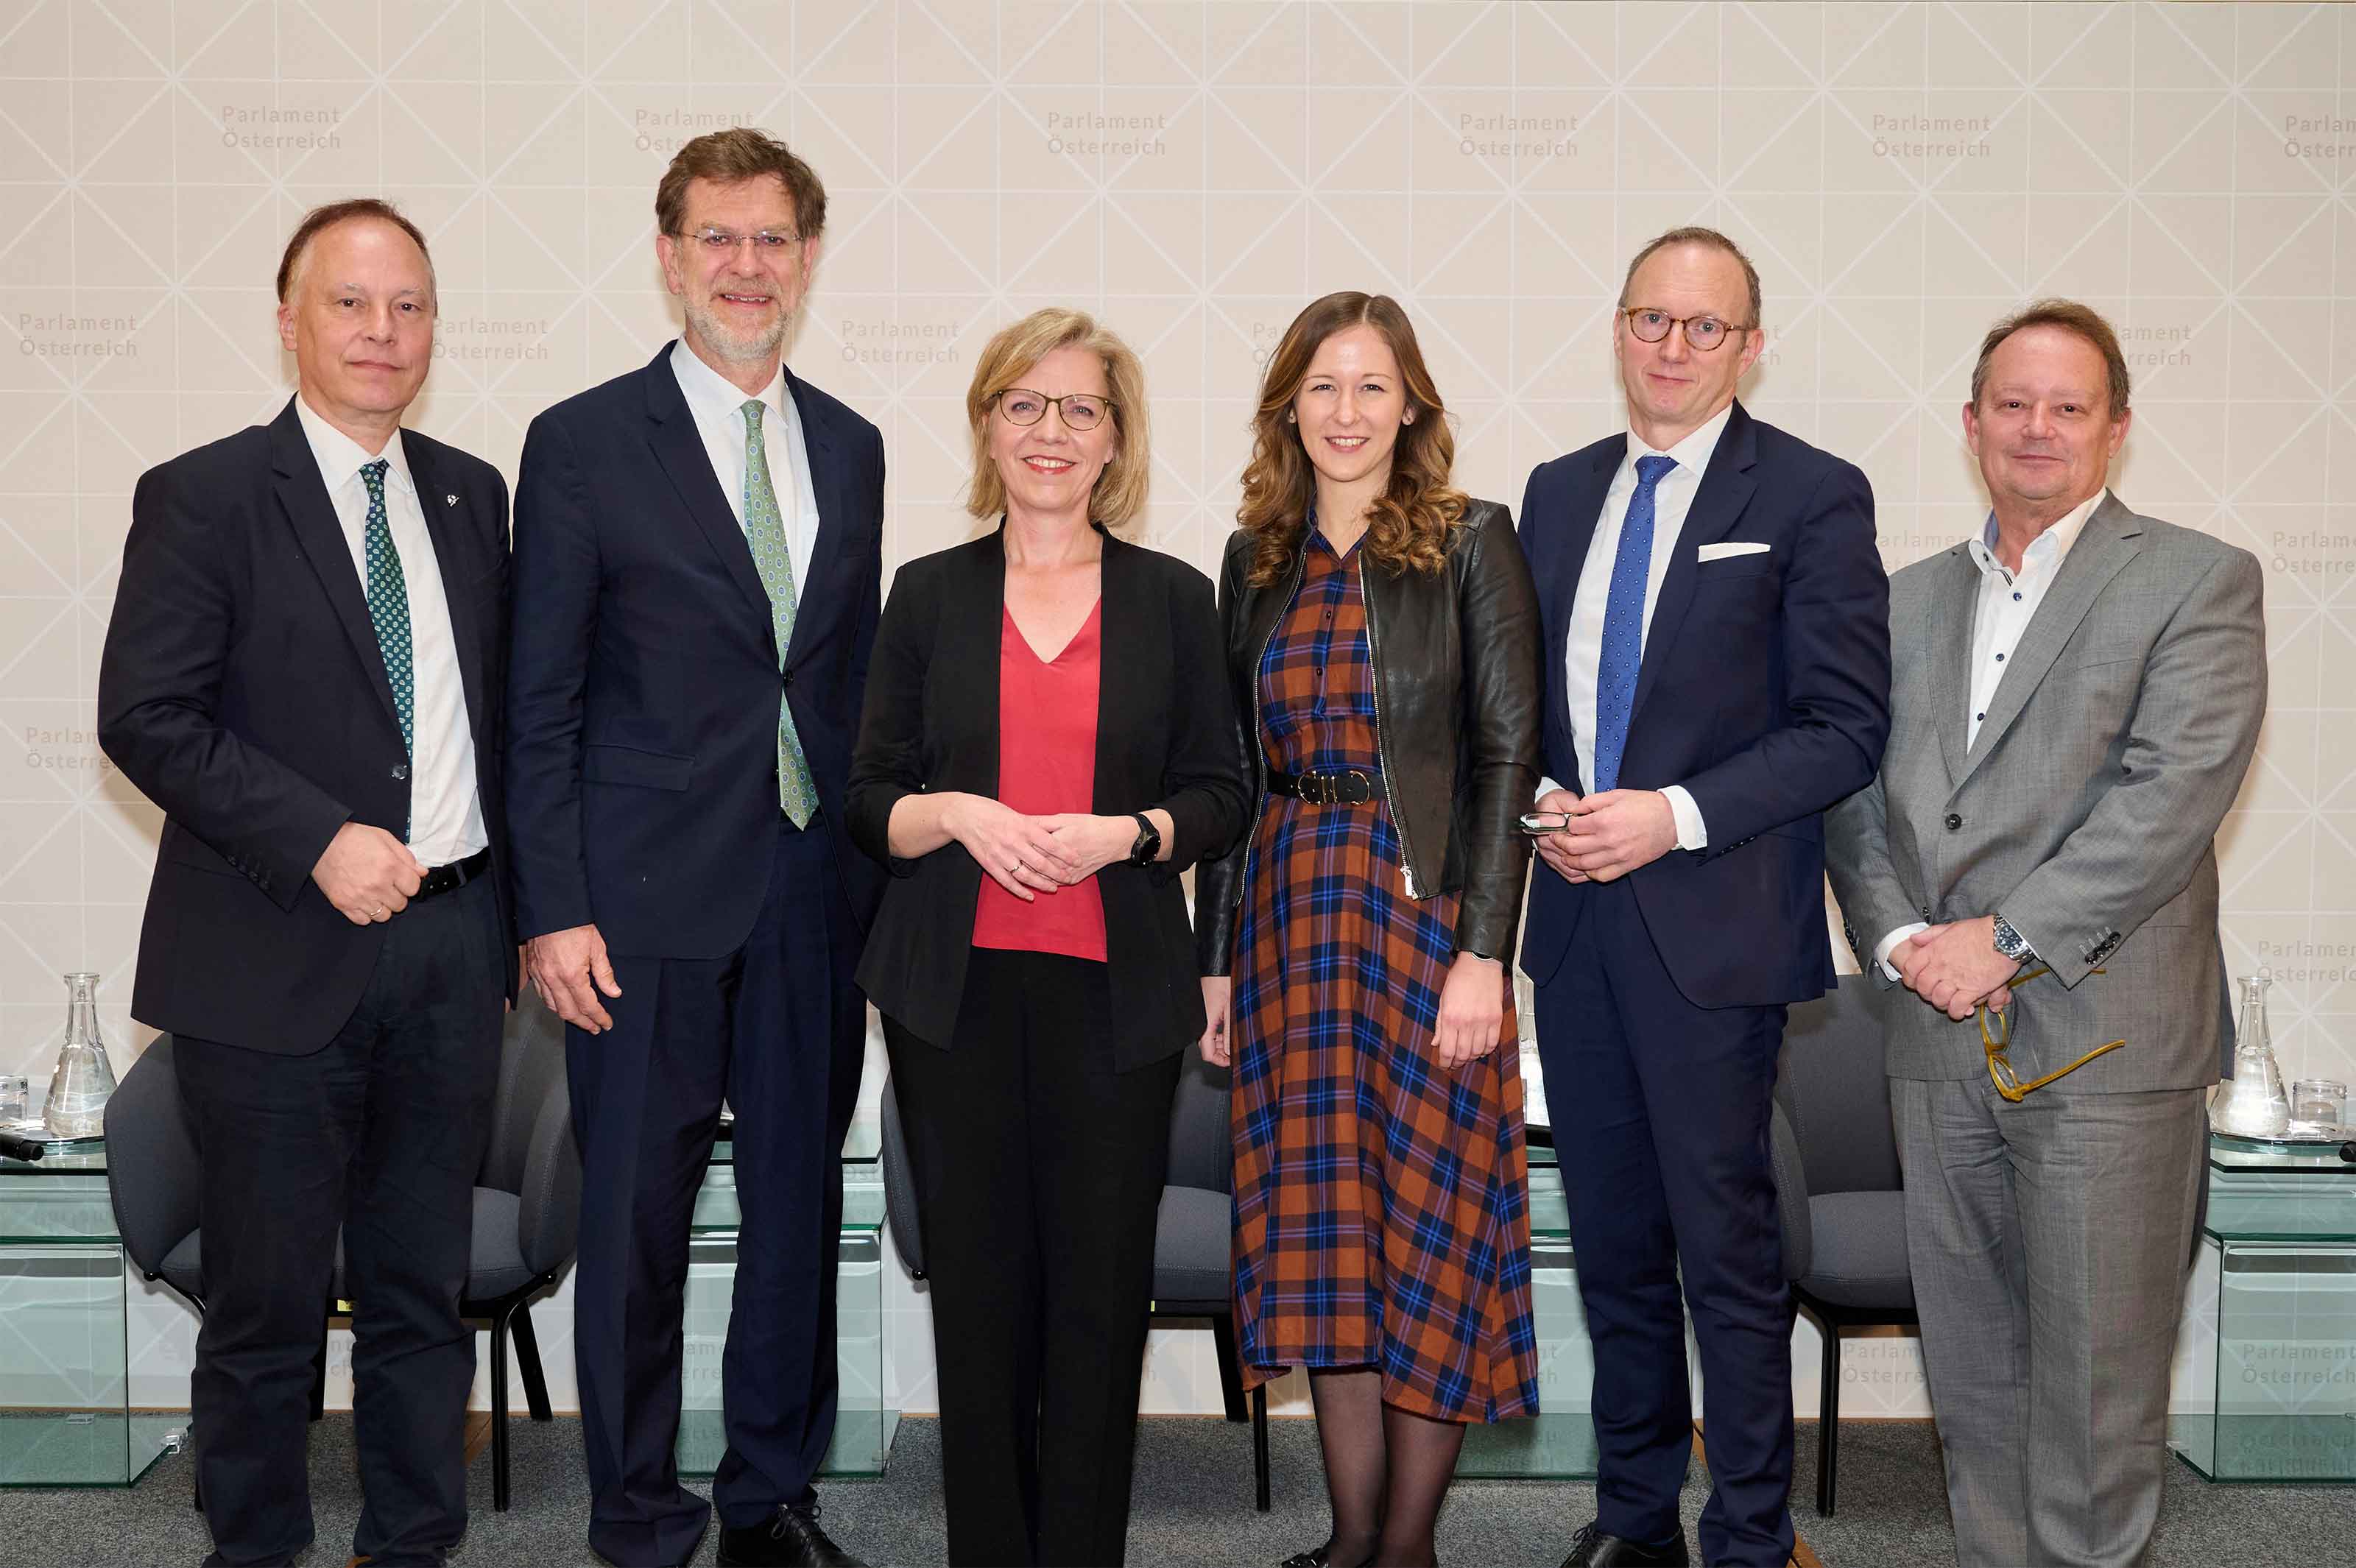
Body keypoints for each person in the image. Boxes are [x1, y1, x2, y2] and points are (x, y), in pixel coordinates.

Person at [96, 199, 512, 1568]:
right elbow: (147, 716)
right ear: (290, 321)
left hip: (451, 956)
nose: (382, 332)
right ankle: (256, 1551)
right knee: (266, 1308)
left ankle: (412, 1546)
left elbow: (488, 725)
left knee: (419, 1295)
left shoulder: (471, 494)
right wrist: (321, 835)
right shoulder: (205, 493)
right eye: (351, 303)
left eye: (408, 306)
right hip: (270, 956)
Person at [1825, 300, 2264, 1568]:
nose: (2037, 428)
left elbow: (2170, 796)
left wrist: (2002, 939)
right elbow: (1850, 795)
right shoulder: (1901, 601)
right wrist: (1904, 937)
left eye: (2069, 406)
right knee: (1976, 1394)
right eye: (2012, 403)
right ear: (1971, 425)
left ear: (2116, 428)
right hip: (1932, 1034)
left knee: (2093, 1402)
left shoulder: (2195, 577)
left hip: (2106, 1046)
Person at [504, 128, 884, 1568]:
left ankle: (770, 1501)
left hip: (809, 899)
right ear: (669, 257)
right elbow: (536, 702)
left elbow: (833, 687)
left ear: (804, 259)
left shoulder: (849, 446)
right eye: (716, 239)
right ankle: (638, 1514)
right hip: (638, 908)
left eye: (770, 240)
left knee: (796, 1212)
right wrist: (552, 907)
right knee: (638, 1231)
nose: (744, 267)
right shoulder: (585, 442)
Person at [847, 308, 1247, 1567]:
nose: (1051, 431)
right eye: (1024, 404)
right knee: (978, 1304)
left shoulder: (1176, 599)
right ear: (985, 425)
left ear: (1115, 436)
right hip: (949, 1000)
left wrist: (1126, 833)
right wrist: (955, 811)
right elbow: (865, 800)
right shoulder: (926, 594)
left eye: (1081, 408)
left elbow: (1223, 794)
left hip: (1114, 1003)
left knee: (1094, 1304)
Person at [1517, 227, 1891, 1568]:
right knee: (1610, 1245)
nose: (1672, 348)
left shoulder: (1810, 494)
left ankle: (1747, 1532)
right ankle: (1634, 1520)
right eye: (1649, 320)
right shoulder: (1556, 493)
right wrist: (1550, 806)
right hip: (1571, 932)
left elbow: (1845, 726)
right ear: (1617, 327)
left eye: (1704, 326)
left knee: (1723, 1253)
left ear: (1749, 343)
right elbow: (1537, 712)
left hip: (1714, 934)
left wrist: (1667, 816)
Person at [1195, 291, 1544, 1568]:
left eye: (1373, 387)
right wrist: (1217, 961)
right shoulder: (1255, 559)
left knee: (1430, 1240)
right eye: (1323, 387)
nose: (1347, 412)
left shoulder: (1469, 540)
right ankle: (1350, 1540)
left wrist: (1485, 954)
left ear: (1413, 405)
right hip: (1289, 917)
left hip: (1425, 923)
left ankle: (1406, 1549)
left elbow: (1510, 754)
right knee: (1321, 1232)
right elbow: (1233, 774)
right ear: (1291, 404)